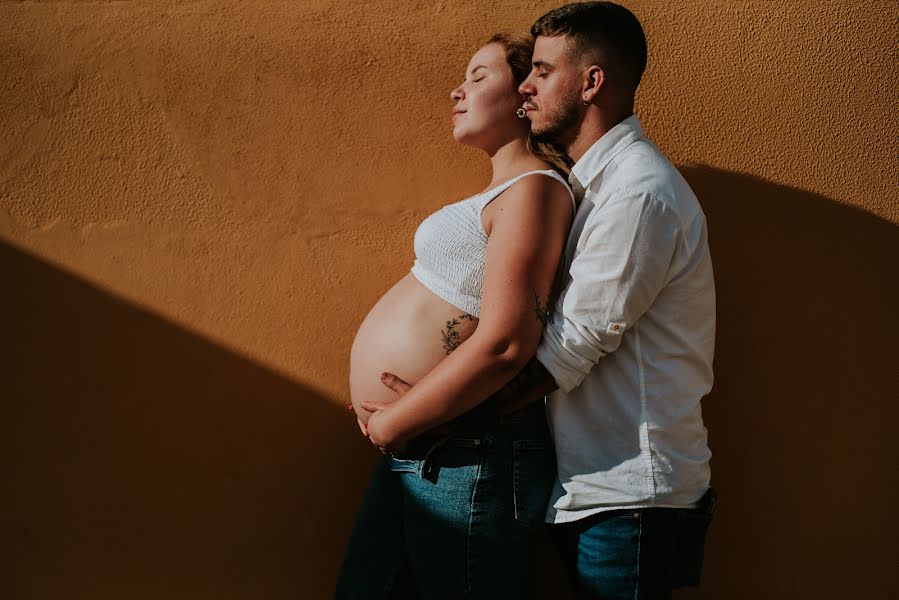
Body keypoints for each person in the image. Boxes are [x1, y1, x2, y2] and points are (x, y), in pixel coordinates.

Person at [375, 3, 718, 598]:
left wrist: (428, 417)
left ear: (591, 83)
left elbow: (561, 351)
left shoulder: (638, 194)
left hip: (630, 498)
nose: (525, 88)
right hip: (592, 487)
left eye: (541, 71)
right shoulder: (593, 188)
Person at [336, 33, 576, 599]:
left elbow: (506, 344)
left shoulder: (536, 189)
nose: (457, 90)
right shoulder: (501, 192)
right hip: (428, 443)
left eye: (477, 76)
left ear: (524, 95)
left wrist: (394, 421)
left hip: (469, 455)